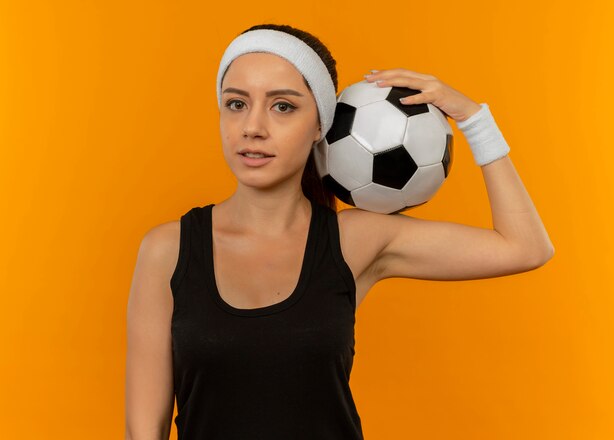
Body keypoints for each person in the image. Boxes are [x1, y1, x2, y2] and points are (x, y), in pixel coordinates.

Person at [125, 23, 554, 440]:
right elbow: (144, 430)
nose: (252, 126)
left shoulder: (356, 240)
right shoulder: (168, 249)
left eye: (282, 106)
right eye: (236, 103)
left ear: (319, 127)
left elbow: (525, 247)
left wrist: (474, 118)